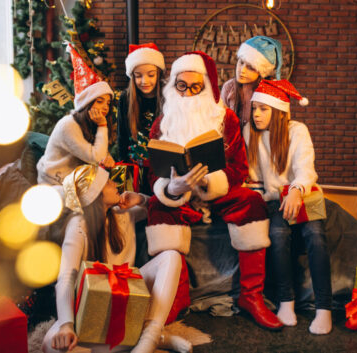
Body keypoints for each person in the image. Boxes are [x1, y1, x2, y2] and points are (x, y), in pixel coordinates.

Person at [145, 51, 283, 330]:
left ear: (206, 87)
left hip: (215, 191)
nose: (187, 93)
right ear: (173, 85)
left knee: (251, 201)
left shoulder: (226, 119)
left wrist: (208, 182)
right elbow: (152, 172)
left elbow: (239, 169)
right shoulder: (162, 123)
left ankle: (251, 296)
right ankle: (176, 295)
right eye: (181, 86)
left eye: (195, 87)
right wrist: (171, 187)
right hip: (179, 194)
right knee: (157, 208)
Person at [41, 164, 192, 353]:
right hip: (93, 307)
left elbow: (155, 208)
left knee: (171, 256)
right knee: (51, 345)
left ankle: (150, 337)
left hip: (129, 293)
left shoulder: (122, 213)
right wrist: (66, 325)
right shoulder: (78, 226)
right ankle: (153, 339)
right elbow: (66, 278)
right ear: (95, 194)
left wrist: (140, 199)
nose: (115, 184)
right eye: (108, 182)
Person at [243, 79, 332, 335]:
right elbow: (254, 178)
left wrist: (295, 190)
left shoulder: (297, 130)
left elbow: (306, 169)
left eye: (263, 109)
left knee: (315, 236)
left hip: (303, 195)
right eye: (254, 108)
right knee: (278, 236)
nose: (257, 114)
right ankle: (286, 302)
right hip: (275, 201)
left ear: (278, 110)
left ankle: (324, 308)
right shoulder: (251, 132)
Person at [37, 44, 115, 185]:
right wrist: (103, 126)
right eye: (99, 101)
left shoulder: (89, 123)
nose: (105, 107)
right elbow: (95, 156)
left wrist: (106, 156)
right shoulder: (69, 125)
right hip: (54, 184)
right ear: (86, 104)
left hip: (75, 180)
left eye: (108, 103)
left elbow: (97, 154)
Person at [117, 43, 166, 195]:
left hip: (161, 169)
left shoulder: (167, 95)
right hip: (134, 168)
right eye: (138, 76)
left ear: (158, 73)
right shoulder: (126, 98)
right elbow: (122, 137)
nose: (144, 81)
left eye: (150, 75)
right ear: (132, 77)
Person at [221, 36, 282, 127]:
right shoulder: (229, 87)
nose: (242, 70)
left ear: (262, 72)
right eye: (241, 62)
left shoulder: (270, 89)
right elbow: (221, 120)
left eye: (250, 68)